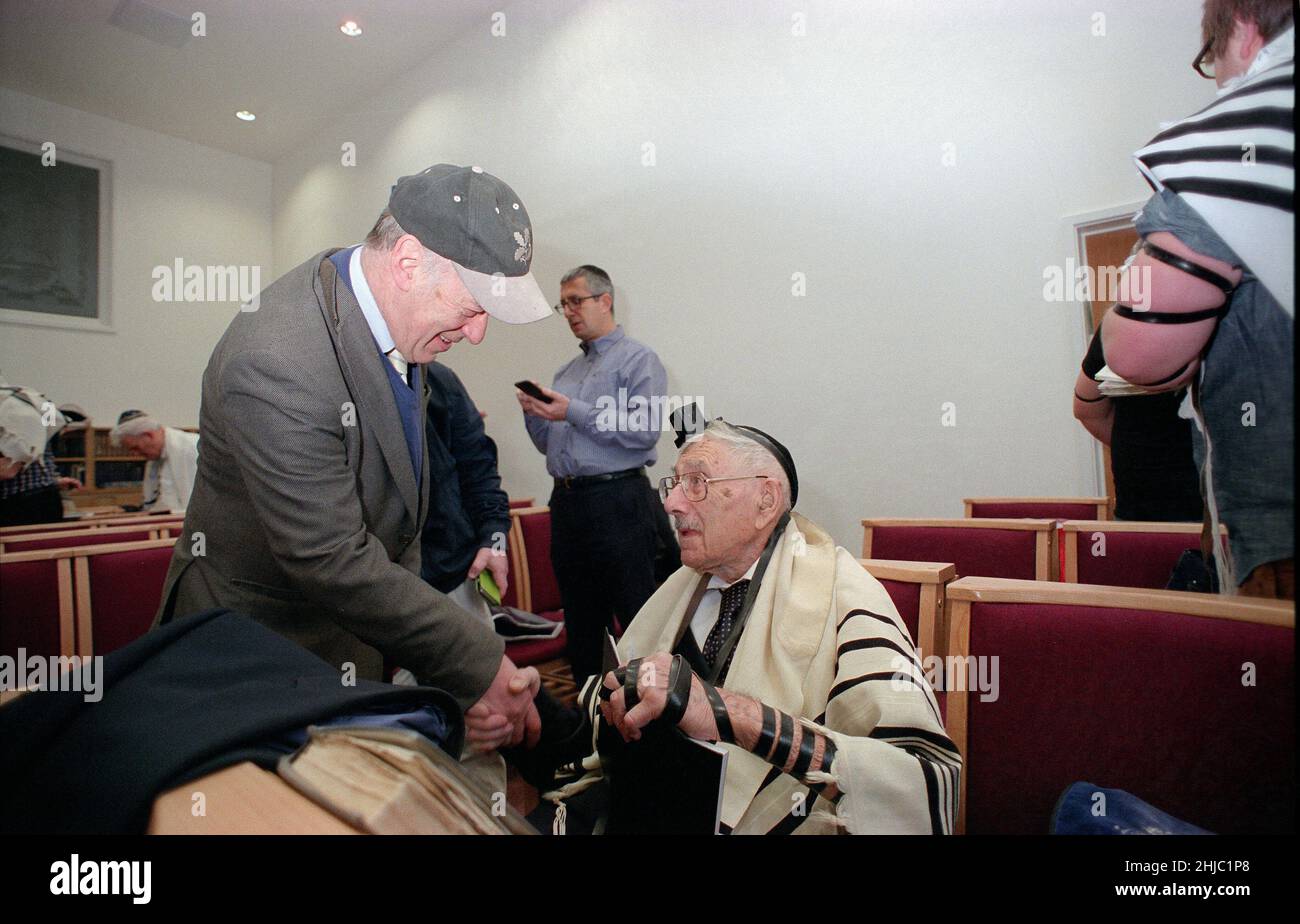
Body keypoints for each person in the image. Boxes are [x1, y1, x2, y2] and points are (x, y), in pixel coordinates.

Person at [155, 163, 553, 752]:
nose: (477, 335)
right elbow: (330, 556)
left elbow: (400, 503)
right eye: (474, 306)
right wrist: (477, 664)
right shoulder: (278, 358)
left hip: (351, 635)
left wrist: (415, 662)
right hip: (258, 646)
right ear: (409, 260)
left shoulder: (387, 314)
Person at [485, 416, 961, 834]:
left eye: (697, 483)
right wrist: (529, 720)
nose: (671, 504)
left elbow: (922, 781)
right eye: (673, 485)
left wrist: (728, 712)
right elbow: (599, 743)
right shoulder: (680, 588)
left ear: (766, 500)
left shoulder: (844, 596)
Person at [1087, 0, 1293, 598]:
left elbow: (1139, 353)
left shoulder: (1250, 132)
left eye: (1212, 59)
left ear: (1246, 32)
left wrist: (1133, 278)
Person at [516, 265, 679, 683]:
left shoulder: (638, 360)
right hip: (569, 504)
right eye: (563, 304)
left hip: (619, 502)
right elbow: (552, 447)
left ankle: (656, 728)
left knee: (639, 615)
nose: (568, 311)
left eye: (576, 301)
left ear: (605, 301)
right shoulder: (565, 373)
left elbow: (644, 433)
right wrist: (535, 414)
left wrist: (571, 410)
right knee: (582, 621)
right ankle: (591, 725)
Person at [416, 362, 511, 628]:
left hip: (454, 574)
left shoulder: (442, 380)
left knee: (481, 667)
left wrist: (496, 540)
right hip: (374, 581)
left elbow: (481, 472)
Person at [1072, 334, 1203, 522]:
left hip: (1139, 506)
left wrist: (1141, 446)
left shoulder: (1120, 327)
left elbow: (1088, 409)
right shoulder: (1238, 322)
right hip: (1224, 509)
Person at [0, 385, 79, 526]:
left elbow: (7, 470)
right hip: (46, 498)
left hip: (20, 505)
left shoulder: (7, 406)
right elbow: (46, 448)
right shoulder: (36, 399)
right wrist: (48, 480)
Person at [109, 409, 200, 512]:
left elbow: (200, 506)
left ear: (149, 435)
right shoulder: (156, 456)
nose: (135, 454)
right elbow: (160, 501)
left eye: (136, 448)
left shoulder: (192, 449)